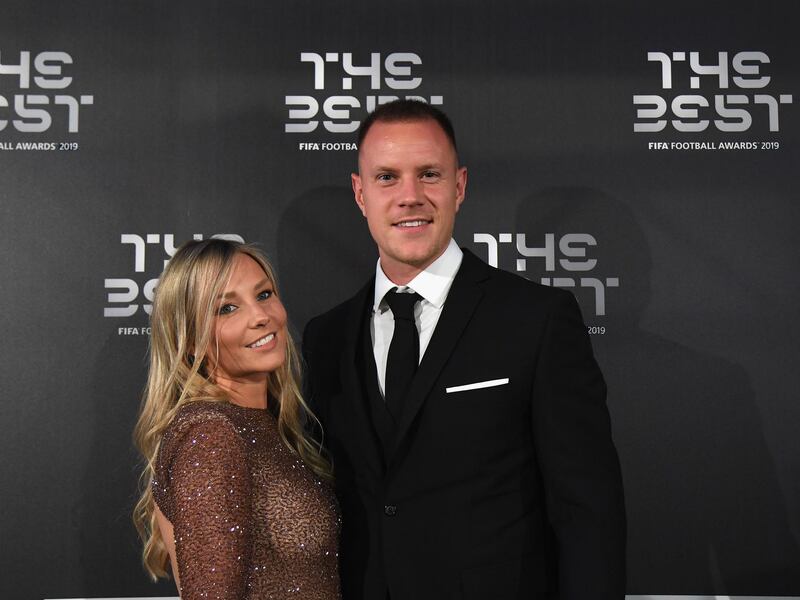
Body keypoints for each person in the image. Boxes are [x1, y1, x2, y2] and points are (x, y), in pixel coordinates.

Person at [302, 100, 626, 599]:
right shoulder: (325, 338)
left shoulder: (536, 320)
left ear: (459, 185)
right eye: (387, 177)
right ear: (360, 193)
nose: (410, 196)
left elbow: (588, 511)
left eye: (429, 174)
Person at [133, 239, 341, 600]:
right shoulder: (212, 433)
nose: (261, 316)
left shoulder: (266, 426)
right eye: (227, 308)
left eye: (263, 295)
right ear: (193, 340)